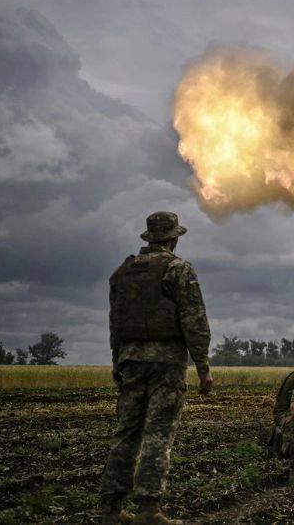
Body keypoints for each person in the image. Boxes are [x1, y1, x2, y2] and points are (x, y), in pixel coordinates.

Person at [99, 211, 213, 525]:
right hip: (166, 363)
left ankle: (110, 509)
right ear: (174, 238)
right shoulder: (178, 269)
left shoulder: (121, 273)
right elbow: (194, 322)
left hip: (130, 360)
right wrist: (203, 367)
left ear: (150, 238)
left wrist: (116, 362)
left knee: (127, 433)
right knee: (157, 434)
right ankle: (147, 510)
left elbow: (116, 324)